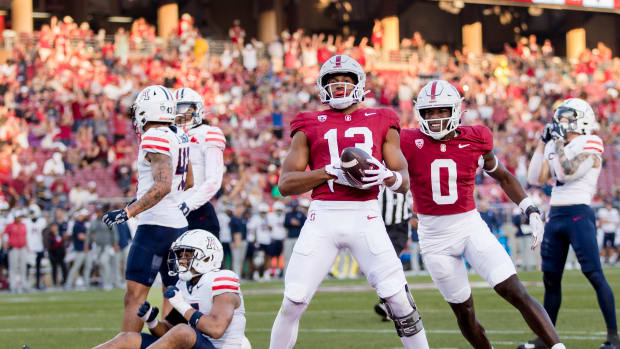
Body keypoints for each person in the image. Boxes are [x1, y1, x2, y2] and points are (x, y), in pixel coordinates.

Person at [270, 54, 429, 349]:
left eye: (345, 79)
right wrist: (327, 172)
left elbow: (404, 180)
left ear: (360, 84)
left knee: (398, 299)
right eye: (332, 80)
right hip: (323, 217)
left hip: (365, 216)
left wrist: (387, 177)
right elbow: (285, 184)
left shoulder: (382, 118)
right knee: (293, 300)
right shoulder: (308, 122)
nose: (339, 85)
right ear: (321, 86)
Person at [400, 79, 564, 349]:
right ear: (420, 113)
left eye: (442, 110)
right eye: (430, 112)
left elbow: (503, 176)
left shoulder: (476, 138)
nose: (436, 118)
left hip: (469, 227)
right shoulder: (408, 140)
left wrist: (529, 208)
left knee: (515, 291)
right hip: (433, 238)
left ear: (455, 110)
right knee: (465, 314)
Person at [523, 98, 618, 349]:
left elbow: (567, 172)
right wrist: (542, 144)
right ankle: (546, 337)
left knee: (594, 274)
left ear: (581, 118)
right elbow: (534, 177)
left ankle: (613, 337)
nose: (559, 123)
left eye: (565, 118)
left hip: (578, 213)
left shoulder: (591, 141)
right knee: (550, 279)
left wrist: (554, 143)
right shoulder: (559, 143)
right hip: (555, 215)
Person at [102, 85, 192, 333]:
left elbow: (162, 186)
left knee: (135, 298)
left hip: (155, 227)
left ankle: (128, 343)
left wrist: (128, 211)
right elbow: (188, 181)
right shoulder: (179, 135)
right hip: (179, 226)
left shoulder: (155, 136)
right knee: (173, 299)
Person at [92, 229, 247, 349]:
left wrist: (183, 306)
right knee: (128, 338)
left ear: (208, 257)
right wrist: (152, 321)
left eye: (188, 255)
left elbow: (216, 329)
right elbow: (169, 333)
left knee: (183, 331)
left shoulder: (222, 280)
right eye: (180, 254)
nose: (181, 260)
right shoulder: (184, 285)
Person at [174, 88, 226, 239]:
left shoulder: (208, 133)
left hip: (198, 212)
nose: (180, 114)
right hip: (172, 213)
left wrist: (188, 205)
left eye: (184, 109)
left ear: (197, 109)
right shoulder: (169, 135)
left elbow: (214, 180)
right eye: (176, 109)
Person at [374, 187, 413, 321]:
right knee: (387, 266)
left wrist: (408, 233)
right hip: (380, 227)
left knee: (389, 263)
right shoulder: (378, 178)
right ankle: (394, 303)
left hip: (399, 227)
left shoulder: (403, 177)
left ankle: (390, 304)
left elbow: (410, 204)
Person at [2, 209, 29, 293]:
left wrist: (27, 246)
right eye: (18, 217)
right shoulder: (10, 225)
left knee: (23, 267)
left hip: (22, 247)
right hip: (13, 248)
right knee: (13, 267)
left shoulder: (23, 225)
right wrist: (4, 244)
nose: (20, 218)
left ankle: (23, 284)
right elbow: (3, 234)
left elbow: (25, 236)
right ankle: (13, 285)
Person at [66, 209, 93, 289]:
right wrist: (89, 237)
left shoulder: (84, 224)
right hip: (80, 249)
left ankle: (86, 283)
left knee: (88, 267)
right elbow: (81, 237)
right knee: (76, 267)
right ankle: (68, 283)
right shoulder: (77, 225)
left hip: (88, 249)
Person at [283, 199, 306, 274]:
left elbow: (305, 225)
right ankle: (286, 273)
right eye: (293, 206)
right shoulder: (288, 214)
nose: (294, 207)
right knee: (287, 256)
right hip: (289, 238)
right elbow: (285, 224)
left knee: (299, 257)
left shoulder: (301, 214)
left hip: (298, 238)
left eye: (295, 206)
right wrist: (291, 223)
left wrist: (298, 223)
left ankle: (299, 273)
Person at [598, 200, 619, 265]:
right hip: (605, 231)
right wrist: (611, 221)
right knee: (603, 246)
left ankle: (611, 260)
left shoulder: (614, 211)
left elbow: (617, 221)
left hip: (612, 231)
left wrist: (607, 220)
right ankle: (603, 260)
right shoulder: (602, 211)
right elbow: (602, 220)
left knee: (612, 246)